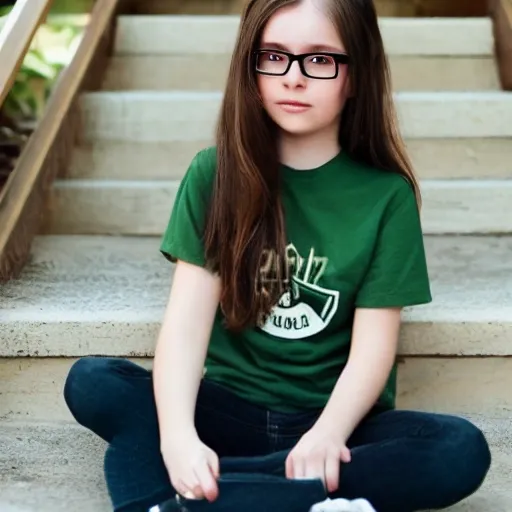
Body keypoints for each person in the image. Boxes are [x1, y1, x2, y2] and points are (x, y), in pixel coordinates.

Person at [63, 0, 492, 511]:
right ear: (252, 67)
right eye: (274, 56)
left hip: (332, 424)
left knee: (458, 450)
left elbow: (373, 348)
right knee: (94, 382)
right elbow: (185, 325)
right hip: (226, 412)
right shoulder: (214, 175)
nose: (293, 77)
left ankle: (188, 501)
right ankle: (302, 499)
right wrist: (178, 438)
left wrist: (328, 434)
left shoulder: (386, 197)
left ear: (355, 75)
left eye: (319, 60)